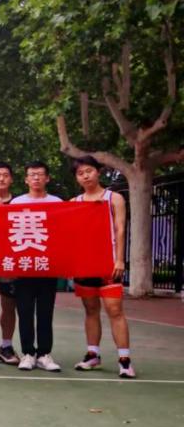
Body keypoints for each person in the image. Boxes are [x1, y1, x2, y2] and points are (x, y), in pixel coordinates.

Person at [70, 155, 135, 378]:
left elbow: (120, 229)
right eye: (80, 173)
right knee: (90, 310)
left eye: (89, 171)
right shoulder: (74, 202)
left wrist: (120, 259)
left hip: (109, 263)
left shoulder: (114, 198)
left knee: (115, 310)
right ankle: (93, 355)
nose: (85, 176)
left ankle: (124, 360)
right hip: (85, 264)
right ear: (77, 178)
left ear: (98, 172)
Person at [11, 161, 63, 372]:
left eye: (40, 174)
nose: (36, 178)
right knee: (24, 312)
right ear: (26, 179)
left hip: (47, 266)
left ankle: (44, 354)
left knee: (45, 312)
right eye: (32, 174)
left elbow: (62, 234)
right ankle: (28, 353)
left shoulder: (57, 203)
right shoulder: (16, 203)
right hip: (23, 267)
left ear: (47, 178)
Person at [0, 161, 21, 365]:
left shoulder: (20, 203)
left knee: (9, 305)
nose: (1, 179)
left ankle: (6, 346)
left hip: (10, 262)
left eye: (5, 175)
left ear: (12, 179)